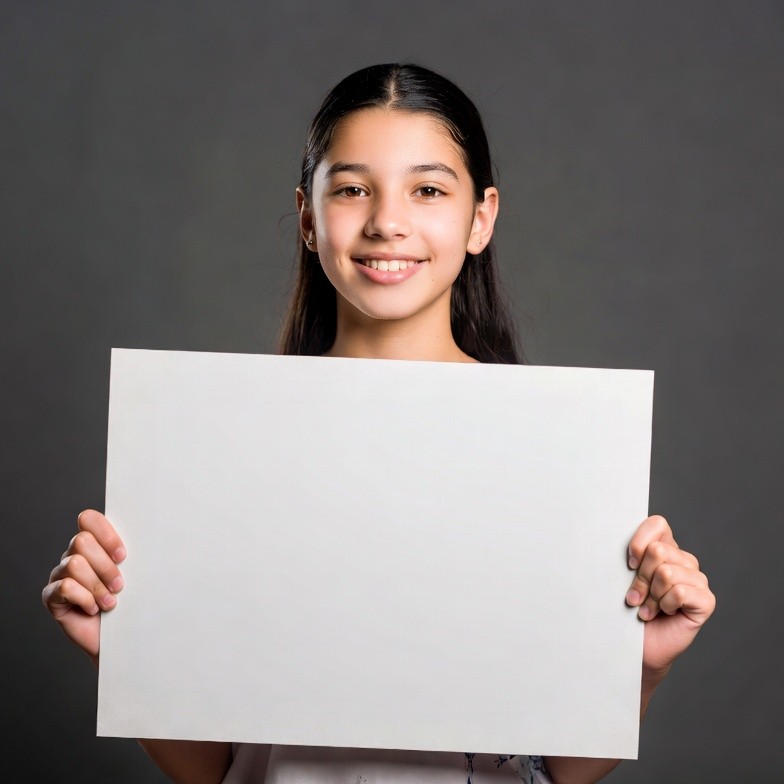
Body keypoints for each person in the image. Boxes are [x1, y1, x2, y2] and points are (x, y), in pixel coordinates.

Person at [42, 62, 716, 784]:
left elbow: (560, 768)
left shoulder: (557, 450)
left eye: (428, 190)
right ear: (307, 217)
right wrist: (121, 653)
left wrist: (641, 668)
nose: (387, 221)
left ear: (481, 218)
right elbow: (219, 771)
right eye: (352, 189)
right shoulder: (225, 444)